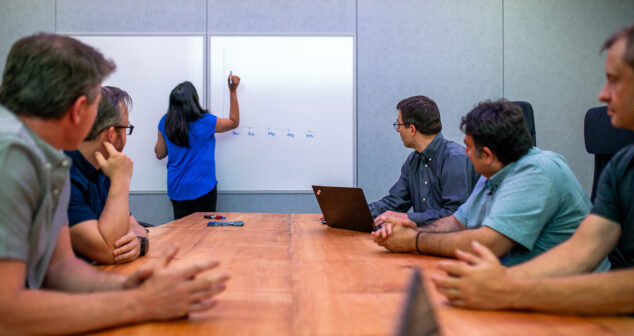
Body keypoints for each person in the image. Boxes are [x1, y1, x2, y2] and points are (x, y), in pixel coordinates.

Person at [0, 33, 229, 334]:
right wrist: (143, 303)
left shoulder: (46, 157)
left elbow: (59, 269)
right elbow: (7, 314)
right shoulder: (12, 153)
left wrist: (127, 286)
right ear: (78, 109)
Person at [431, 23, 634, 315]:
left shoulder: (539, 170)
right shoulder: (622, 166)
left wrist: (507, 289)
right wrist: (495, 282)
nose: (602, 95)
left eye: (615, 81)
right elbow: (582, 250)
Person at [372, 100, 603, 269]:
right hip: (519, 285)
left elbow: (489, 242)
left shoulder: (538, 171)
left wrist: (415, 240)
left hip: (573, 296)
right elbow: (456, 222)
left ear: (488, 154)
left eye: (469, 147)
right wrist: (409, 229)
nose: (465, 153)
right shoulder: (493, 172)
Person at [65, 86, 148, 264]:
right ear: (111, 134)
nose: (126, 136)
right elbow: (110, 251)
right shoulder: (64, 175)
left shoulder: (105, 167)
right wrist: (122, 179)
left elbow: (132, 224)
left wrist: (138, 242)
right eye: (127, 128)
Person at [368, 95, 478, 228]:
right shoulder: (413, 160)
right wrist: (357, 213)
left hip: (451, 245)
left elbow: (455, 216)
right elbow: (395, 203)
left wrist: (408, 217)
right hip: (423, 241)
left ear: (412, 129)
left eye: (399, 124)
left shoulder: (455, 158)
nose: (397, 130)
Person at [155, 79, 240, 220]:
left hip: (177, 189)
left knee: (182, 233)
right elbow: (233, 122)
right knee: (204, 234)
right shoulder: (205, 121)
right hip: (203, 188)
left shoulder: (165, 122)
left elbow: (160, 153)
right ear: (195, 100)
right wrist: (232, 91)